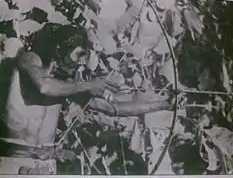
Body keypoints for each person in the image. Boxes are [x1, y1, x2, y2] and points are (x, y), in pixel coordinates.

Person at [0, 23, 172, 174]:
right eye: (79, 54)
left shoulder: (67, 83)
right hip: (16, 163)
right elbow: (45, 87)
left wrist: (165, 104)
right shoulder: (30, 59)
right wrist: (88, 84)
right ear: (62, 48)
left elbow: (113, 108)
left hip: (46, 166)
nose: (81, 62)